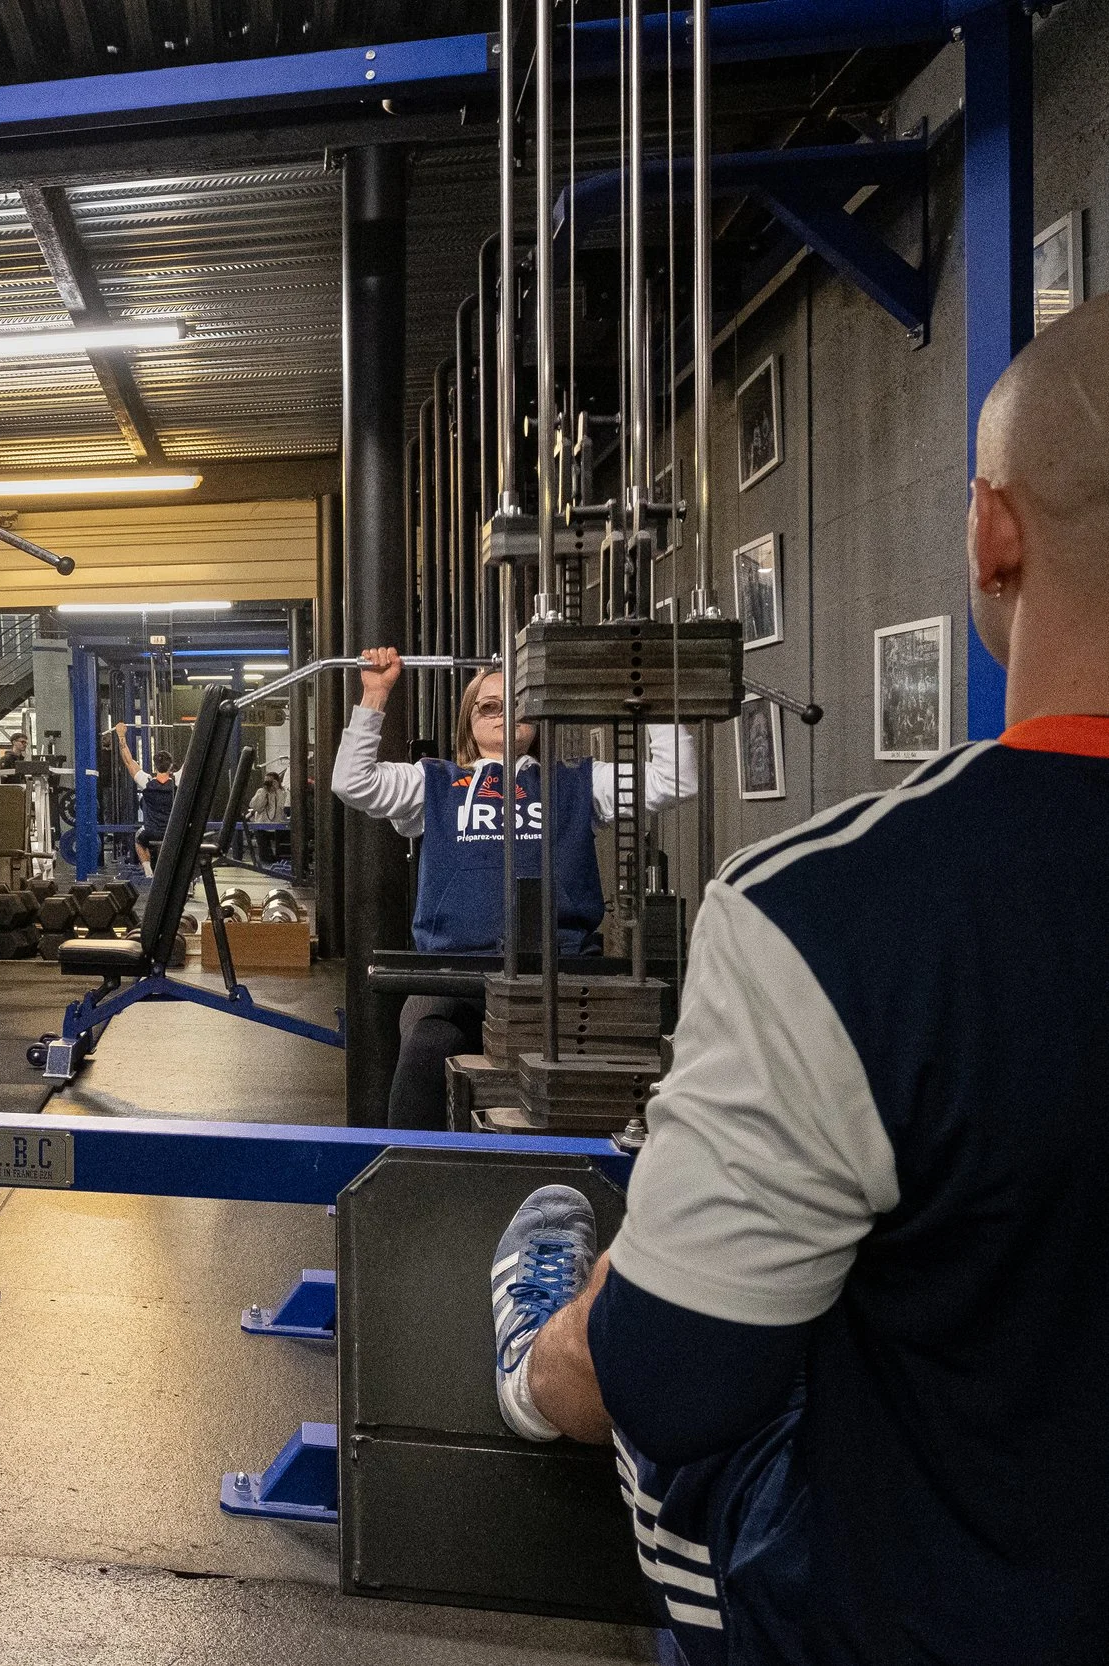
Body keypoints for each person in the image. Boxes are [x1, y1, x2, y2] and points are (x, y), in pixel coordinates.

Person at [489, 294, 1109, 1664]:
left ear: (993, 533)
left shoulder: (840, 912)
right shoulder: (456, 782)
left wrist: (562, 1365)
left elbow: (674, 1390)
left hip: (914, 1615)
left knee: (644, 1383)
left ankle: (539, 1324)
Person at [333, 648, 696, 1130]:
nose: (504, 713)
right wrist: (376, 694)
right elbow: (352, 782)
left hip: (560, 981)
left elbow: (676, 780)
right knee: (425, 1058)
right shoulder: (433, 783)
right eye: (489, 705)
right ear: (470, 723)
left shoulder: (575, 783)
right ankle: (415, 1183)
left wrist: (650, 685)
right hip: (456, 979)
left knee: (579, 1092)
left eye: (518, 702)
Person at [113, 722, 179, 874]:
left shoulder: (147, 782)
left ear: (155, 766)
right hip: (172, 831)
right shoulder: (177, 780)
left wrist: (121, 735)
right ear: (171, 767)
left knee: (138, 839)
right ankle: (173, 872)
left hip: (151, 831)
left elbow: (128, 761)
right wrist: (196, 731)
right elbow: (192, 760)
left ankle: (149, 872)